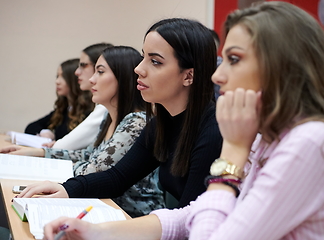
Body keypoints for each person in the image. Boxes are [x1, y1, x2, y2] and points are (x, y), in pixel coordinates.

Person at [41, 2, 324, 239]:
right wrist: (96, 231)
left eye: (234, 60)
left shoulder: (312, 142)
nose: (219, 75)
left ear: (282, 67)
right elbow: (190, 215)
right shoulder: (268, 138)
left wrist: (232, 152)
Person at [12, 17, 222, 213]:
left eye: (155, 61)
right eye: (143, 57)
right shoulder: (161, 123)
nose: (139, 69)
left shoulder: (212, 133)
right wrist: (66, 189)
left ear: (189, 76)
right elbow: (118, 177)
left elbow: (188, 218)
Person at [4, 46, 165, 217]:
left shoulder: (136, 122)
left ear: (122, 78)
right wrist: (38, 153)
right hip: (101, 205)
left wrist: (45, 163)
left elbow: (94, 170)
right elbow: (86, 155)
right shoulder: (109, 118)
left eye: (100, 72)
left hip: (131, 216)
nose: (92, 80)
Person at [46, 43, 114, 150]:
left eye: (83, 65)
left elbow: (62, 147)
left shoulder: (106, 107)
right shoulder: (101, 104)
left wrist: (48, 150)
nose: (77, 72)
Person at [24, 58, 93, 140]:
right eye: (57, 76)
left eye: (63, 77)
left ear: (76, 79)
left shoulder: (88, 111)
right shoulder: (64, 109)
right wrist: (44, 132)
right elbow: (30, 127)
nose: (57, 81)